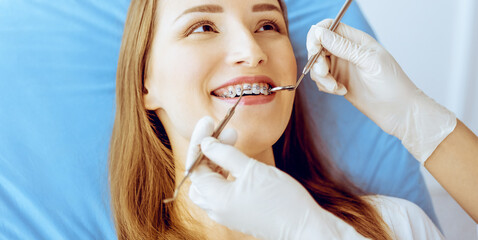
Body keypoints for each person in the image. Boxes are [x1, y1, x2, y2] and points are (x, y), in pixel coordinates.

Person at [108, 0, 474, 239]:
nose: (251, 52)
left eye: (267, 25)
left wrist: (416, 118)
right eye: (203, 27)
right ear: (144, 82)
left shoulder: (395, 225)